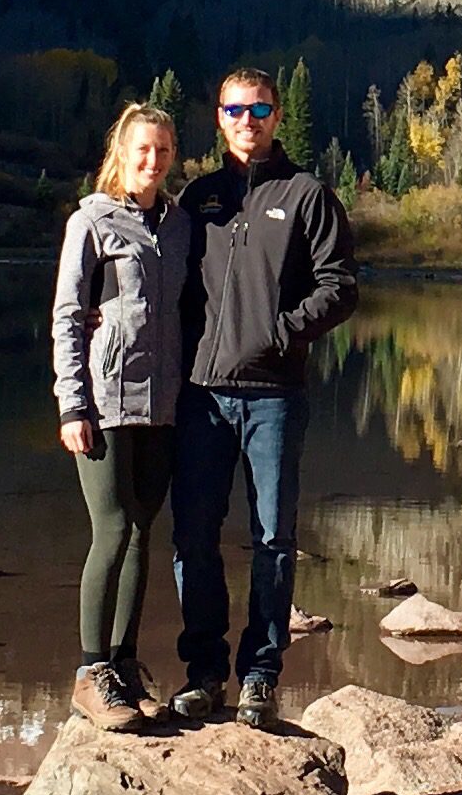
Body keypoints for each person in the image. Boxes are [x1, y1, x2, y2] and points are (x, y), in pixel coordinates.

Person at [164, 64, 357, 727]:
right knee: (193, 536)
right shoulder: (200, 198)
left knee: (273, 537)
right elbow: (168, 286)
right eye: (235, 110)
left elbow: (341, 287)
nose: (248, 121)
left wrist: (282, 333)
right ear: (219, 118)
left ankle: (261, 675)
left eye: (260, 110)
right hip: (202, 398)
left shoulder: (307, 196)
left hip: (274, 395)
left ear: (276, 117)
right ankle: (205, 672)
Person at [51, 102, 186, 734]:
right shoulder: (92, 221)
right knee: (109, 530)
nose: (152, 161)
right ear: (121, 153)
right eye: (142, 149)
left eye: (162, 150)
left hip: (161, 407)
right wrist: (71, 404)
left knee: (140, 532)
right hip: (105, 404)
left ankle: (126, 666)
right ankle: (90, 672)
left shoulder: (180, 226)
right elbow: (69, 318)